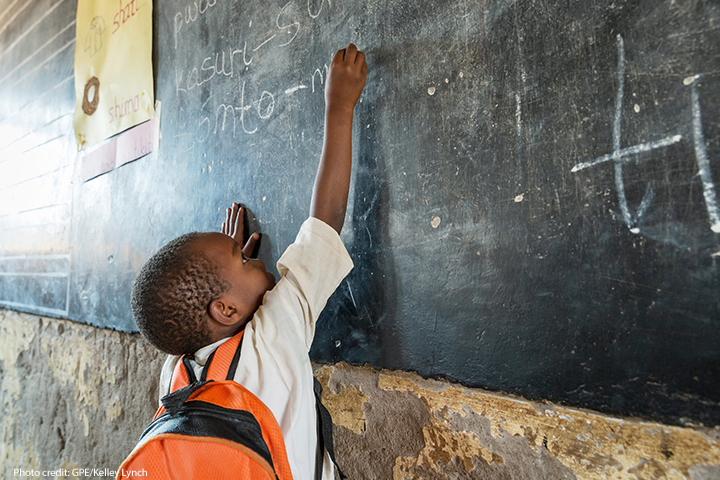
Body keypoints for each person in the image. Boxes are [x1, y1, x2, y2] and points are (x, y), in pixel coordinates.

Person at [130, 43, 367, 480]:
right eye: (242, 259)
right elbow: (325, 225)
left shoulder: (176, 380)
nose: (254, 261)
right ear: (224, 309)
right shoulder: (272, 340)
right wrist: (340, 107)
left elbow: (203, 303)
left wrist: (230, 273)